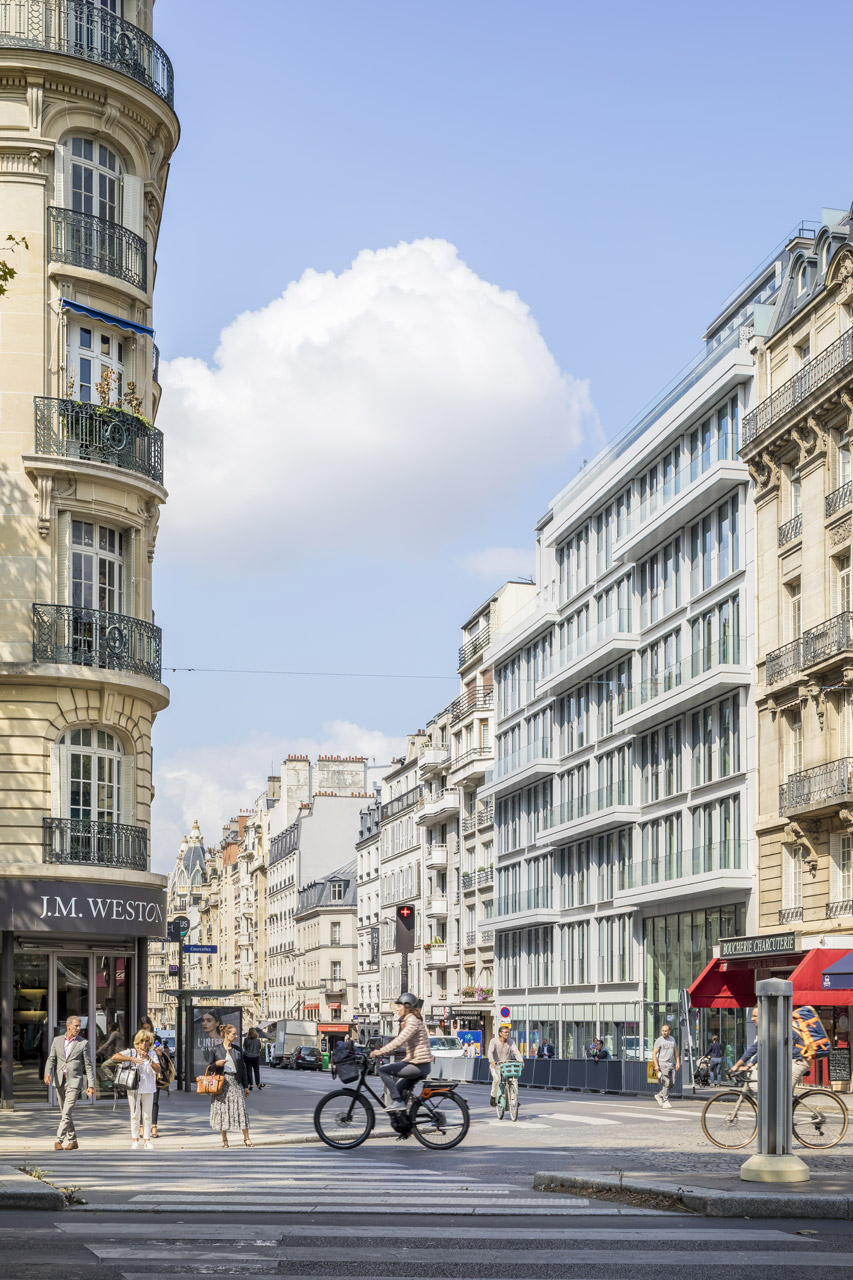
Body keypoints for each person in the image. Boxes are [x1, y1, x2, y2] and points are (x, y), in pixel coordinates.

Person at [369, 993, 431, 1111]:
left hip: (418, 1065)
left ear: (407, 1007)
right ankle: (405, 1122)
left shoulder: (412, 1022)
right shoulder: (411, 1020)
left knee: (383, 1070)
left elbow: (399, 1041)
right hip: (418, 1063)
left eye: (399, 1006)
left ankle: (398, 1102)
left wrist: (380, 1051)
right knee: (398, 1090)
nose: (397, 1009)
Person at [44, 1016, 95, 1151]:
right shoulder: (57, 1040)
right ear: (68, 1026)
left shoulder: (83, 1043)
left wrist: (91, 1085)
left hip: (74, 1081)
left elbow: (88, 1065)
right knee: (65, 1112)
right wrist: (47, 1072)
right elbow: (51, 1059)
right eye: (76, 1026)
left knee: (66, 1112)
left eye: (79, 1026)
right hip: (60, 1080)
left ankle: (58, 1140)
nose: (78, 1029)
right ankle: (73, 1141)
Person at [731, 1007, 811, 1089]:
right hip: (787, 1062)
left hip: (798, 1062)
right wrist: (736, 1065)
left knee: (783, 1093)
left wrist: (748, 1066)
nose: (752, 1019)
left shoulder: (777, 1029)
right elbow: (754, 1048)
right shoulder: (769, 1029)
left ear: (764, 1016)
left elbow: (765, 1050)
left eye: (755, 1016)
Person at [111, 1030, 160, 1151]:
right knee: (135, 1114)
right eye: (141, 1041)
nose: (144, 1043)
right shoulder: (131, 1051)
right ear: (137, 1042)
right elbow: (115, 1056)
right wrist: (132, 1059)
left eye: (146, 1041)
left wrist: (148, 1058)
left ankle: (147, 1140)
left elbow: (158, 1069)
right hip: (134, 1087)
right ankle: (135, 1140)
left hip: (148, 1087)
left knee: (147, 1114)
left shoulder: (152, 1053)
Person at [207, 1022, 253, 1147]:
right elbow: (209, 1068)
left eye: (236, 1034)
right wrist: (217, 1064)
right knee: (223, 1112)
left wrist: (245, 1086)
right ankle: (225, 1140)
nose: (236, 1036)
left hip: (234, 1083)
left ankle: (247, 1138)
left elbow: (243, 1069)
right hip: (221, 1083)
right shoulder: (216, 1049)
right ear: (226, 1034)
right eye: (234, 1034)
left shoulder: (238, 1050)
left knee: (241, 1110)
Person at [138, 1016, 172, 1137]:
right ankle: (141, 1126)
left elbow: (160, 1051)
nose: (147, 1031)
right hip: (141, 1071)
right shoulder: (137, 1038)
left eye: (148, 1028)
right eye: (144, 1029)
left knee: (154, 1101)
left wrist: (160, 1052)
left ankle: (154, 1127)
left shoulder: (156, 1038)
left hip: (154, 1072)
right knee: (141, 1101)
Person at [486, 1024, 522, 1106]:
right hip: (496, 1065)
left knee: (514, 1079)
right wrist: (492, 1061)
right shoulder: (493, 1041)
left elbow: (516, 1052)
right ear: (500, 1033)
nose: (507, 1034)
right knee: (497, 1079)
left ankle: (513, 1099)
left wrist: (521, 1060)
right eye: (505, 1032)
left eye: (508, 1032)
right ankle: (493, 1096)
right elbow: (490, 1052)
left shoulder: (511, 1042)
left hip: (506, 1065)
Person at [652, 1023, 681, 1108]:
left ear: (669, 1031)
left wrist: (678, 1062)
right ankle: (665, 1101)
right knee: (667, 1082)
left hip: (671, 1064)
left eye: (666, 1031)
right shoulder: (659, 1040)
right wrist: (656, 1065)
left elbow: (675, 1051)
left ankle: (659, 1095)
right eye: (663, 1031)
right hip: (662, 1064)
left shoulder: (672, 1039)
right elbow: (654, 1053)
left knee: (672, 1083)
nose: (664, 1032)